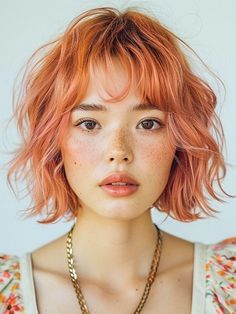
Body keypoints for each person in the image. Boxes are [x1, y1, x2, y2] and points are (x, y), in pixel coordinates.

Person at [0, 6, 235, 314]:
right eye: (89, 124)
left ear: (179, 140)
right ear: (55, 140)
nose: (118, 151)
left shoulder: (227, 285)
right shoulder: (9, 296)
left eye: (148, 123)